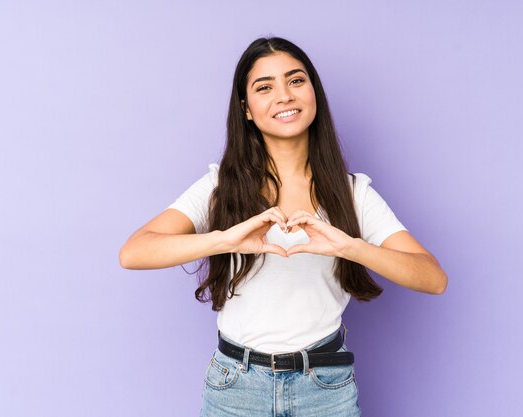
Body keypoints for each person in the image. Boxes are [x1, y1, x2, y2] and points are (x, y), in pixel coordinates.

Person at [119, 36, 448, 417]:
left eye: (296, 81)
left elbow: (433, 278)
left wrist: (351, 247)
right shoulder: (219, 187)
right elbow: (134, 252)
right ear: (246, 109)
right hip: (235, 388)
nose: (284, 96)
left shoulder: (352, 193)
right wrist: (223, 239)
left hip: (326, 387)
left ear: (314, 94)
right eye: (265, 87)